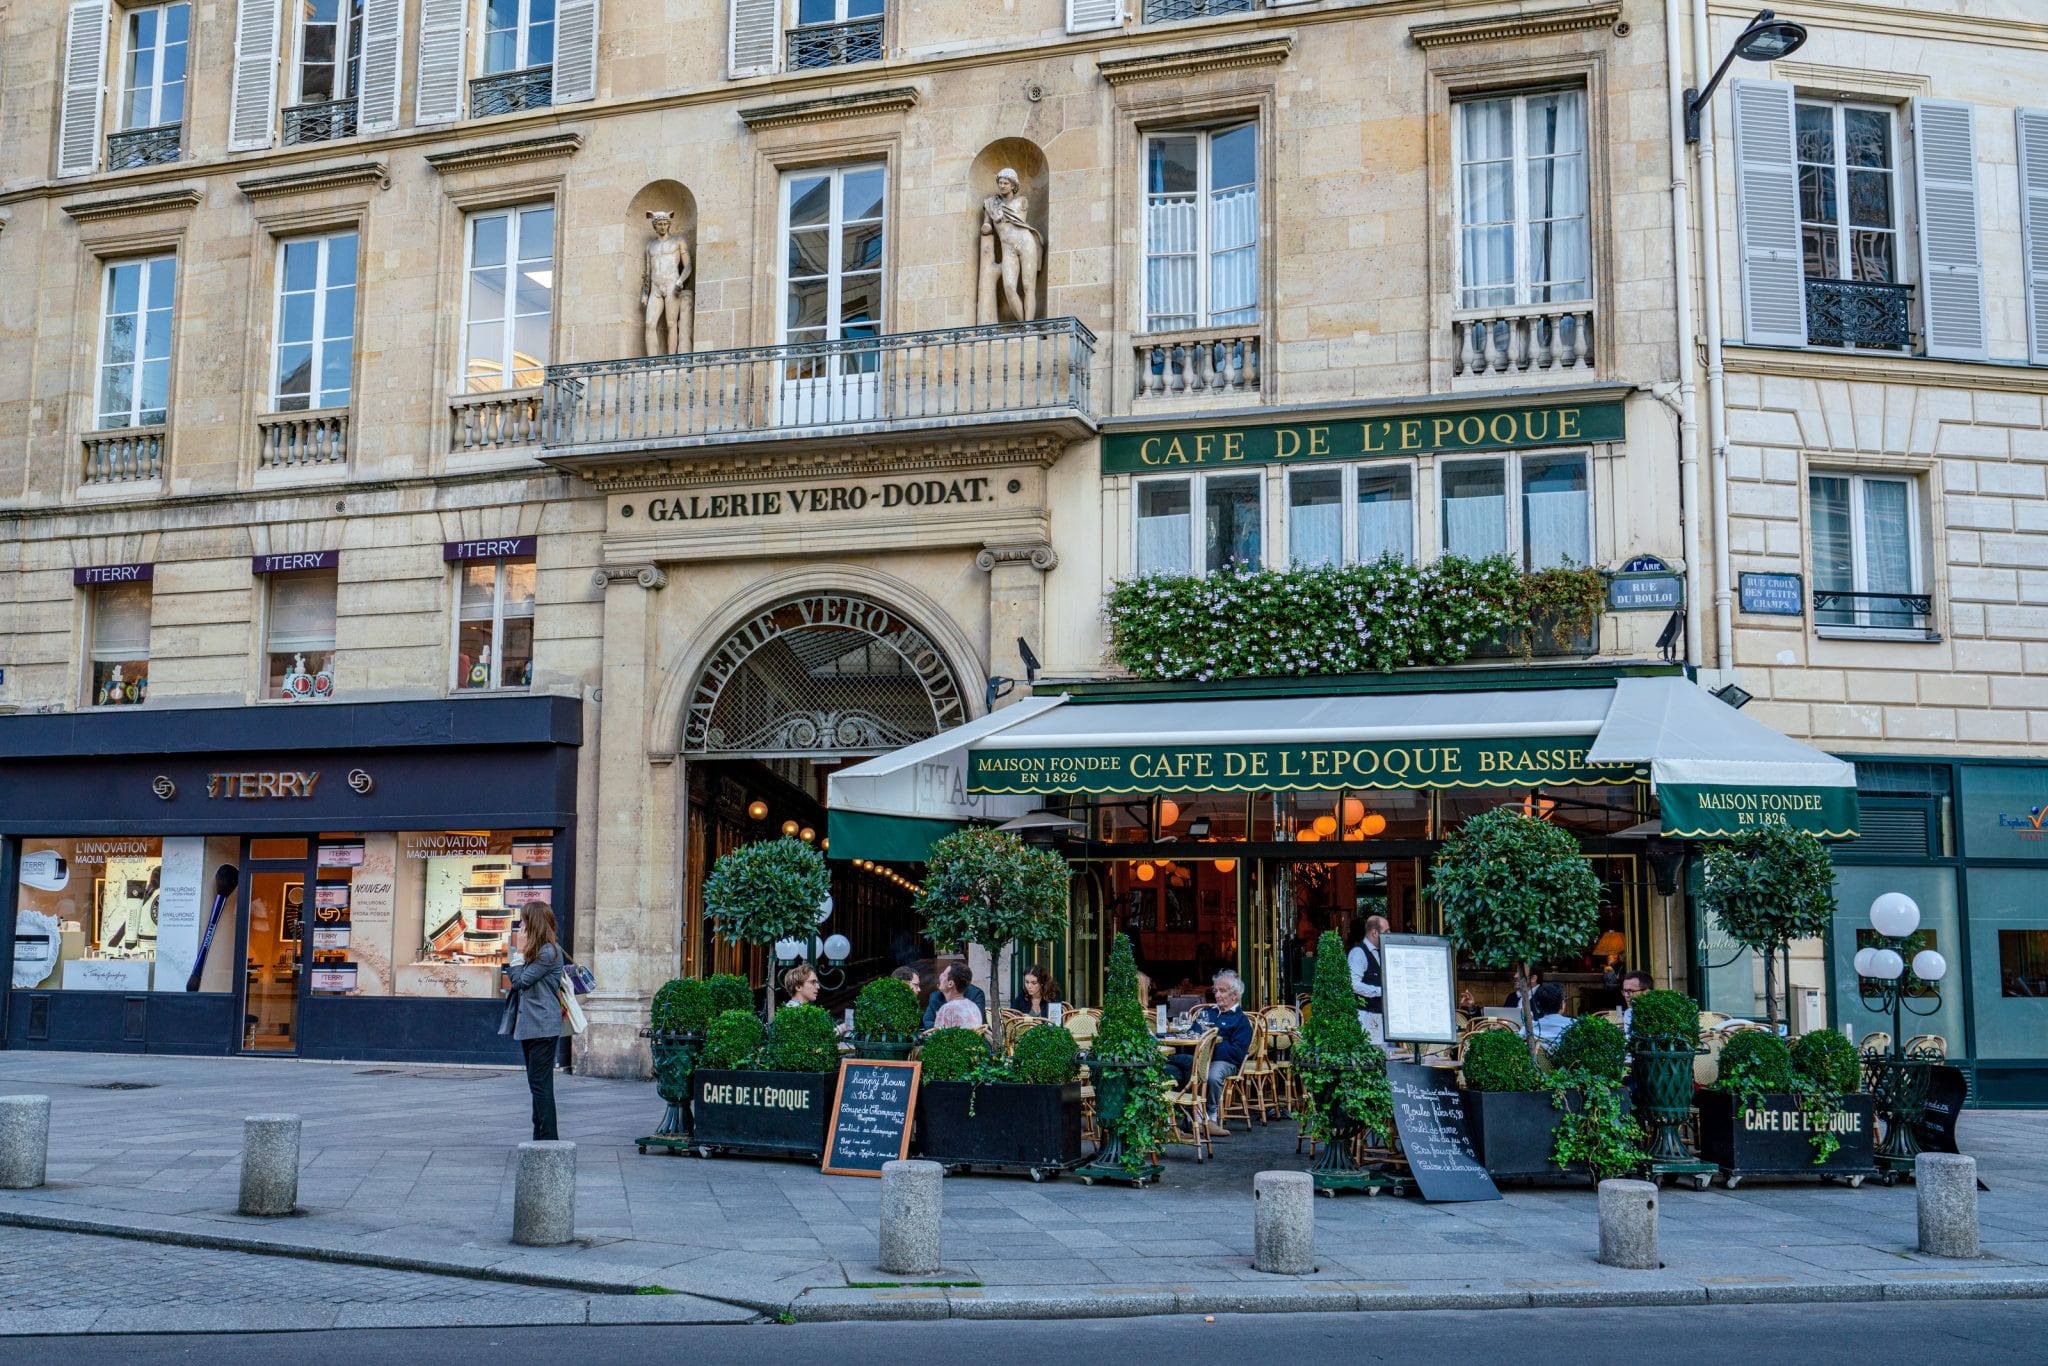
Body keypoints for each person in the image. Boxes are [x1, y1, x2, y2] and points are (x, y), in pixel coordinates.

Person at [499, 902, 565, 1141]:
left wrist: (517, 953)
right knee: (537, 1083)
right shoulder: (539, 952)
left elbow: (519, 982)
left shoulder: (548, 952)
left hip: (542, 1027)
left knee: (540, 1084)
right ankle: (541, 1136)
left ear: (534, 924)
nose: (520, 926)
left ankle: (547, 1139)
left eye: (524, 921)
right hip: (533, 1026)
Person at [1165, 971, 1252, 1136]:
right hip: (1199, 1059)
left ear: (1234, 995)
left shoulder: (1241, 1021)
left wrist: (1209, 1049)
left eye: (1222, 991)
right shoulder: (1207, 1013)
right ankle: (1182, 1119)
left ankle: (1209, 1116)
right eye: (1216, 991)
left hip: (1225, 1062)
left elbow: (1236, 1053)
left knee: (1211, 1075)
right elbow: (1193, 1033)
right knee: (1174, 1069)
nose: (1217, 995)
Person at [1347, 915, 1387, 1046]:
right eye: (1386, 931)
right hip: (1366, 1015)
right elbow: (1353, 984)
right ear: (1375, 932)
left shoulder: (1383, 952)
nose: (1389, 934)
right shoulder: (1358, 953)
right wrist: (1382, 991)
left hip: (1382, 1015)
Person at [922, 963, 986, 1029]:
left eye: (944, 974)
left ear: (950, 984)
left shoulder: (946, 1008)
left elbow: (939, 1036)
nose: (940, 976)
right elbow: (927, 1021)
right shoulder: (973, 1006)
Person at [1524, 982, 1573, 1050]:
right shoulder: (1575, 1026)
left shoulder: (1528, 1028)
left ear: (1538, 1006)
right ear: (1562, 1004)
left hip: (1536, 1060)